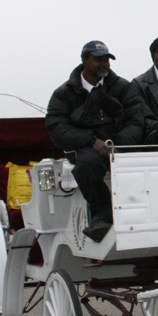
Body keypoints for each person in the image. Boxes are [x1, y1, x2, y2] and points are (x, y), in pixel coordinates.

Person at [46, 40, 146, 242]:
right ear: (84, 60)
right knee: (86, 166)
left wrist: (118, 144)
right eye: (98, 59)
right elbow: (57, 128)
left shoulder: (122, 87)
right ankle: (103, 215)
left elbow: (137, 119)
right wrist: (92, 140)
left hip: (120, 146)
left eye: (106, 60)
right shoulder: (64, 93)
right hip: (86, 149)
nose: (104, 64)